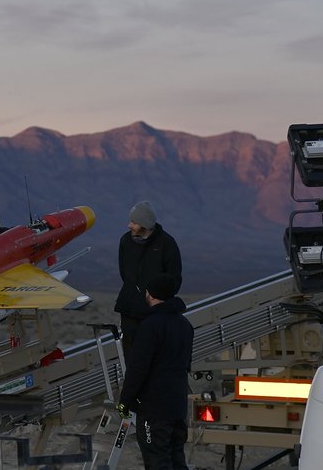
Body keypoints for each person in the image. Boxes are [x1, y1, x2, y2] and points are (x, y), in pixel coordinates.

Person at [117, 274, 194, 470]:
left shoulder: (150, 326)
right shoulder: (185, 325)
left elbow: (138, 369)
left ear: (150, 294)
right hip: (177, 406)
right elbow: (186, 364)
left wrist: (124, 402)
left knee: (157, 461)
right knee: (177, 459)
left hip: (154, 410)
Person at [114, 200, 182, 361]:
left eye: (134, 222)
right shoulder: (125, 241)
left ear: (144, 224)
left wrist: (157, 298)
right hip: (130, 311)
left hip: (155, 313)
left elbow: (174, 278)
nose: (129, 225)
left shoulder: (167, 244)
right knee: (132, 359)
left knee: (155, 358)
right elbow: (124, 273)